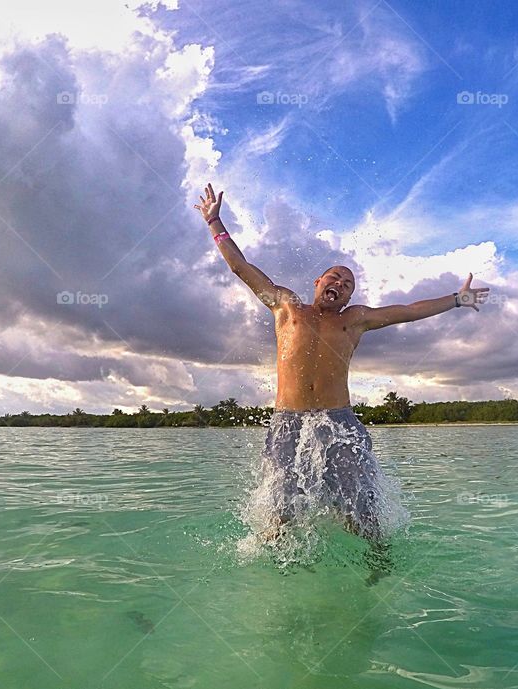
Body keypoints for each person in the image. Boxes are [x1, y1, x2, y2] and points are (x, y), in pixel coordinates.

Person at [193, 183, 489, 550]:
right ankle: (279, 569)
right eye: (334, 277)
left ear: (349, 297)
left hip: (338, 422)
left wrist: (457, 299)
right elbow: (240, 267)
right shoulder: (285, 306)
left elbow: (409, 311)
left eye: (348, 284)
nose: (340, 284)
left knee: (359, 507)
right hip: (287, 421)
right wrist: (214, 222)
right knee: (279, 511)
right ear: (318, 282)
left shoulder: (354, 320)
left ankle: (377, 563)